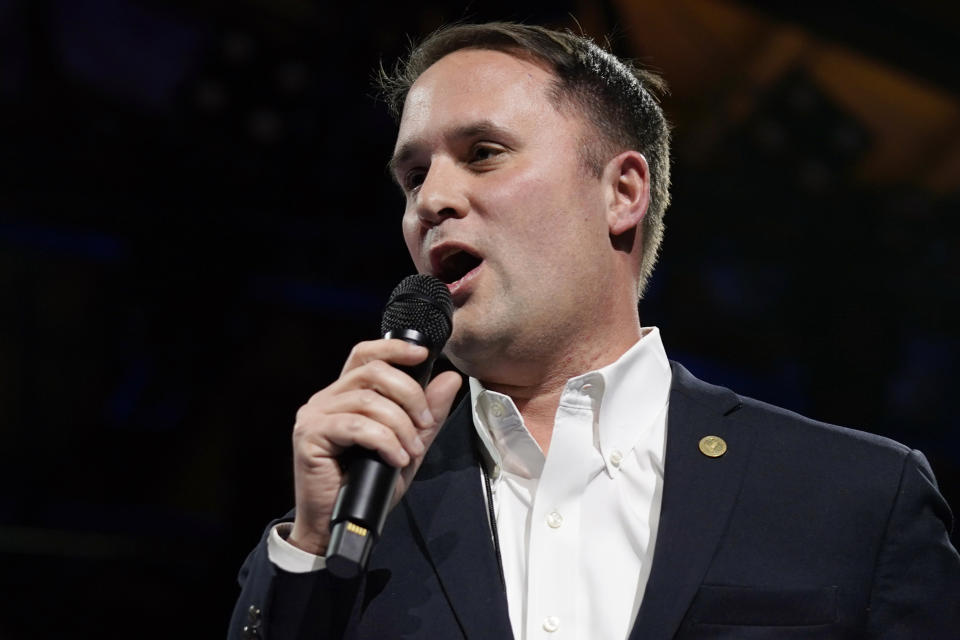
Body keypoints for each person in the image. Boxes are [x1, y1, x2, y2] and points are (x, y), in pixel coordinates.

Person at [228, 22, 960, 639]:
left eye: (483, 153)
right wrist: (315, 549)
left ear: (622, 192)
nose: (433, 201)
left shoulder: (854, 498)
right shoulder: (353, 517)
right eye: (413, 176)